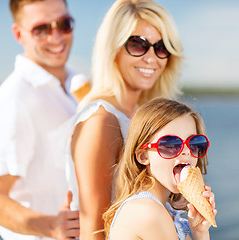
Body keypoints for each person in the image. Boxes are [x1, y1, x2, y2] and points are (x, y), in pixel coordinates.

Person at [62, 0, 184, 239]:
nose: (152, 58)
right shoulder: (100, 121)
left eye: (161, 47)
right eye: (138, 44)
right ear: (113, 48)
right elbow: (93, 232)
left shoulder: (138, 112)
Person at [0, 0, 83, 239]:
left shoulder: (77, 82)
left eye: (64, 24)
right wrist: (51, 226)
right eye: (41, 29)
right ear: (19, 33)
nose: (56, 37)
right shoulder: (14, 99)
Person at [103, 97, 217, 240]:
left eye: (194, 142)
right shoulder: (148, 212)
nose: (186, 151)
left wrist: (200, 231)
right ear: (143, 156)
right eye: (171, 144)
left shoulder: (165, 211)